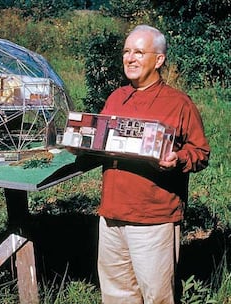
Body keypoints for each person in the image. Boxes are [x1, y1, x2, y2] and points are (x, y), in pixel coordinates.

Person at [77, 25, 210, 303]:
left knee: (157, 296)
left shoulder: (179, 103)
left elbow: (200, 151)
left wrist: (179, 159)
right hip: (111, 215)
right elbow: (99, 142)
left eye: (139, 51)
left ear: (158, 60)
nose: (130, 58)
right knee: (116, 294)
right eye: (126, 51)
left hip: (153, 219)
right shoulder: (116, 97)